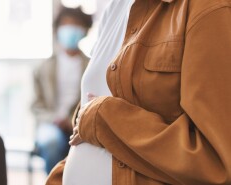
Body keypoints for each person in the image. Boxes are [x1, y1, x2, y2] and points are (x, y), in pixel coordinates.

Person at [47, 0, 231, 184]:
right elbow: (85, 137)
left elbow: (218, 162)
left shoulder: (208, 7)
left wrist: (106, 118)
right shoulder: (114, 9)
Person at [31, 7, 92, 174]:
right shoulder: (43, 68)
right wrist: (55, 119)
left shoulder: (92, 66)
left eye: (75, 24)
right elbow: (36, 105)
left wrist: (74, 122)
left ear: (85, 30)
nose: (70, 29)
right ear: (57, 30)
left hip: (82, 124)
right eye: (66, 24)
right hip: (50, 124)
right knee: (51, 143)